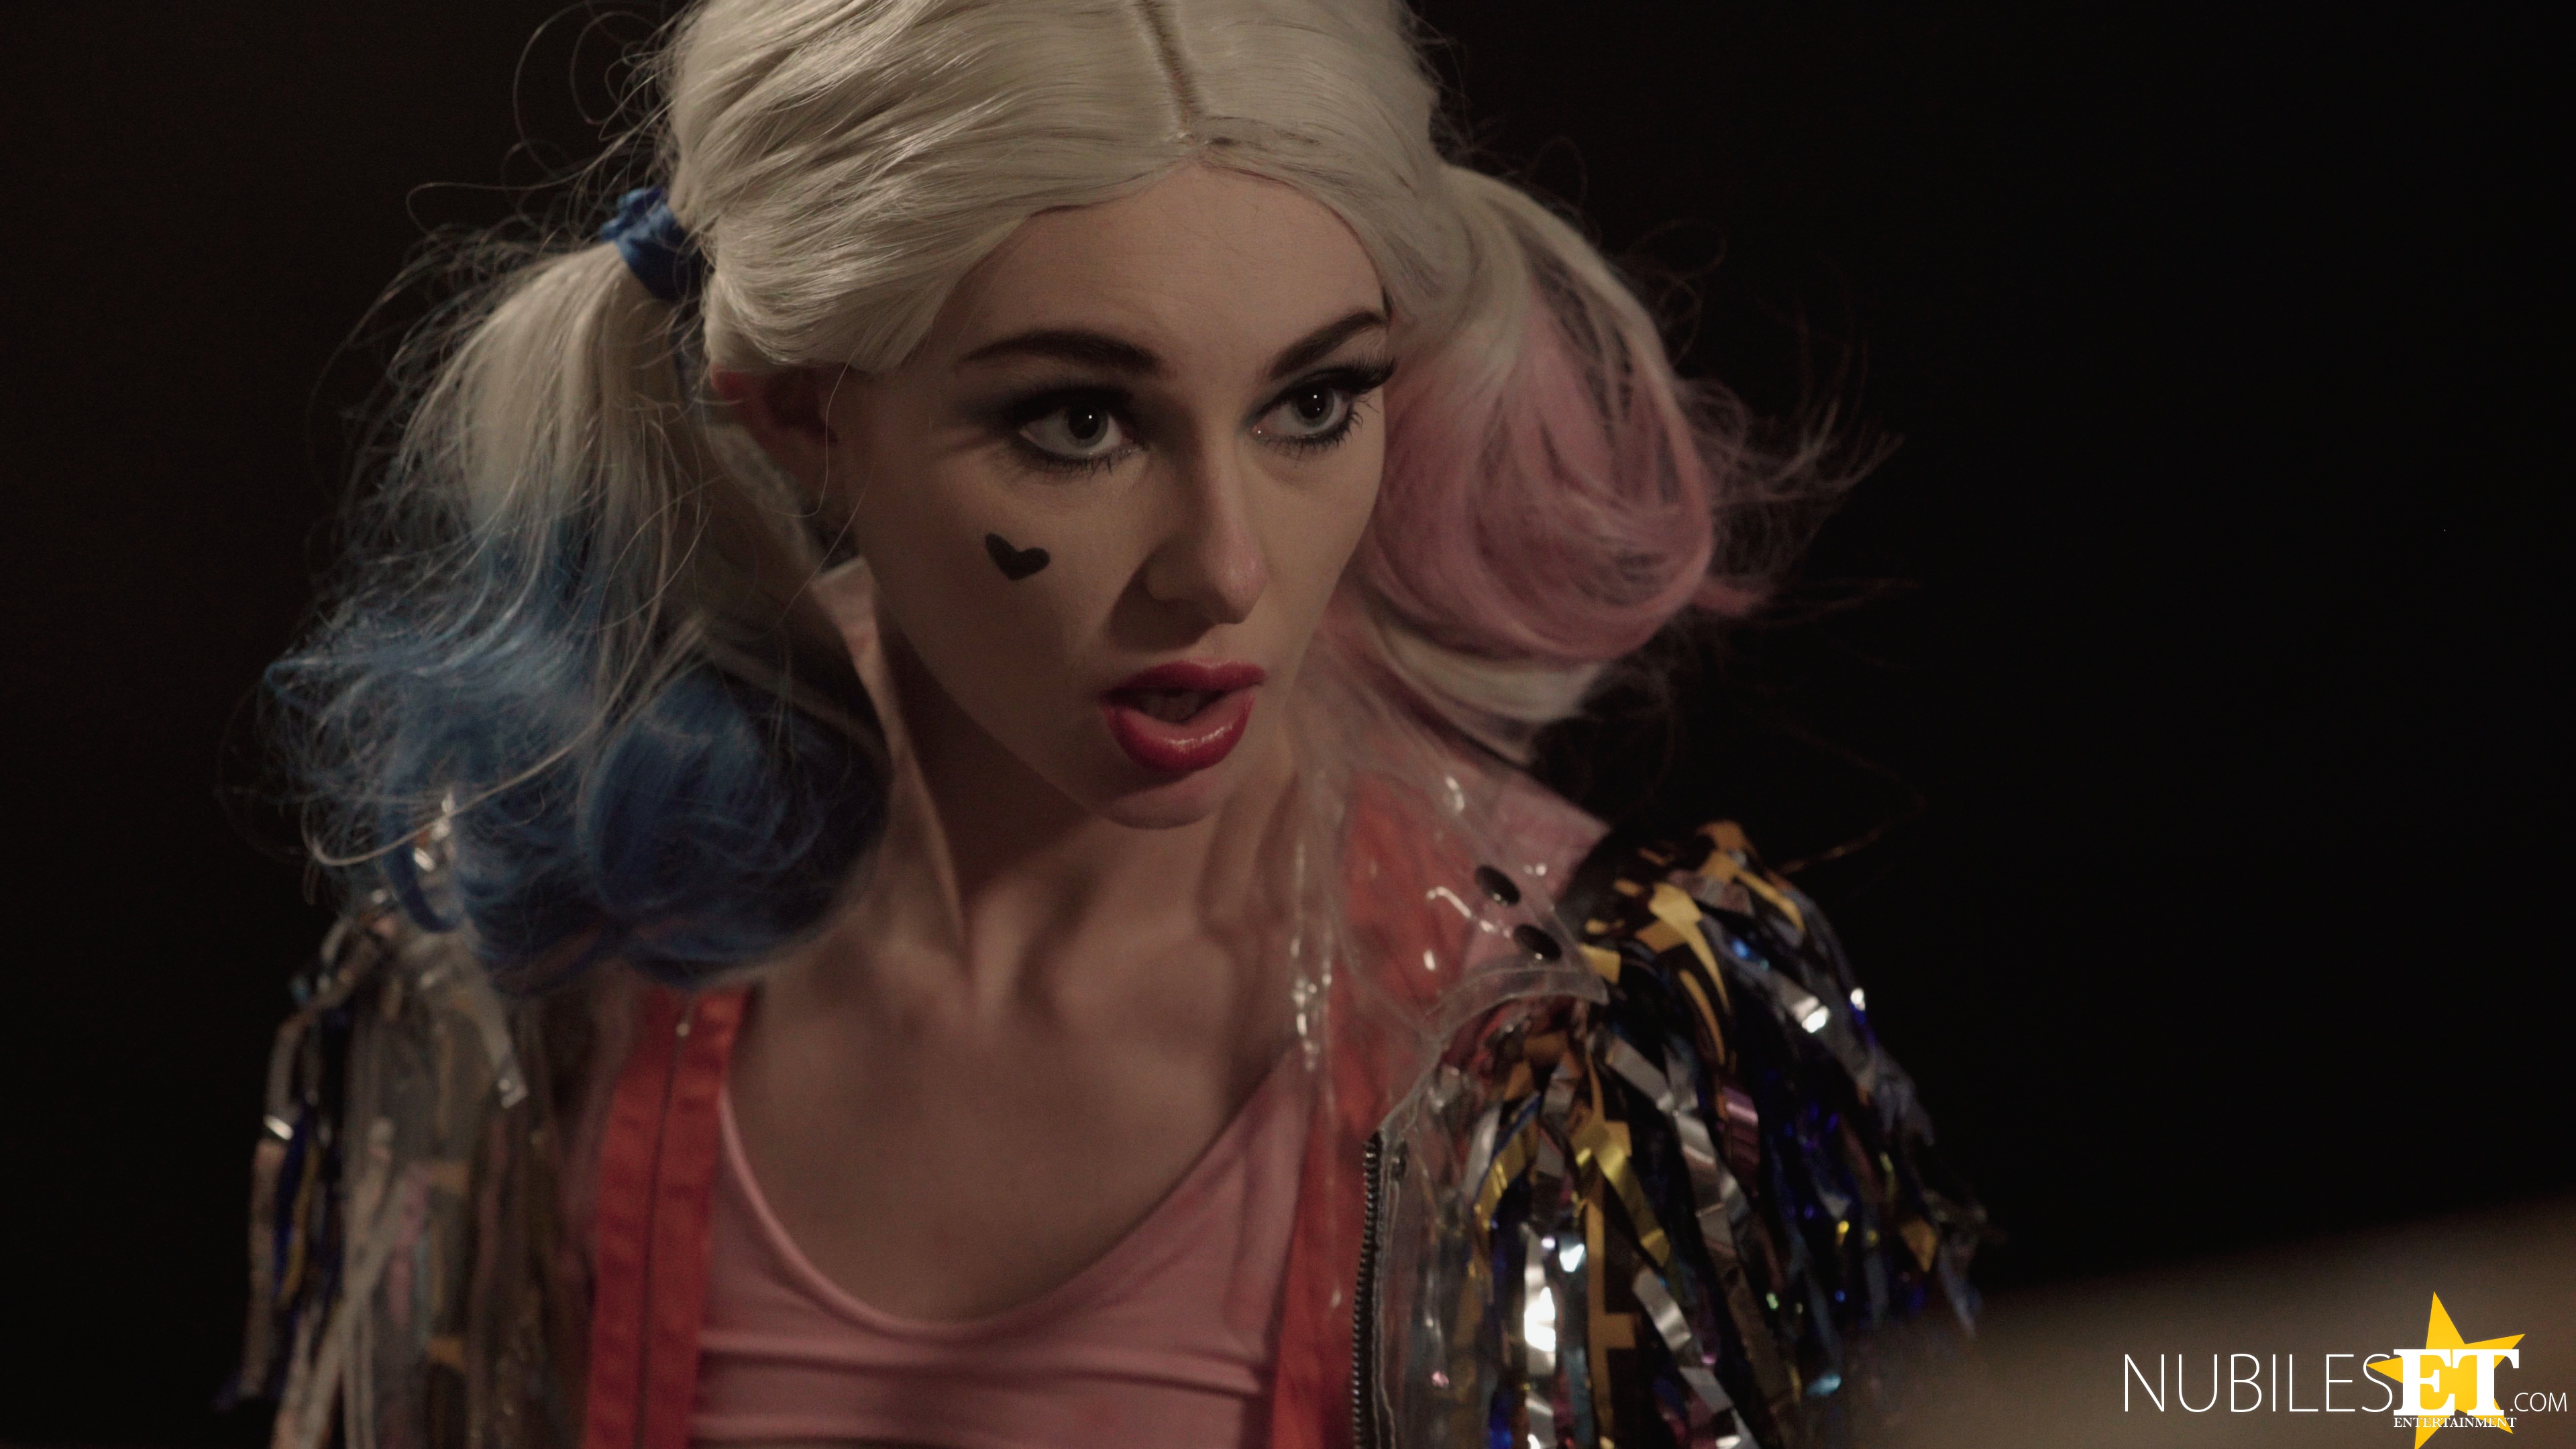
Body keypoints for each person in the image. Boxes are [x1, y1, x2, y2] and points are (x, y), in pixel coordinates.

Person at [235, 1, 1984, 1446]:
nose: (1225, 568)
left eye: (1315, 401)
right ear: (798, 417)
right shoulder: (538, 971)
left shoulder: (1591, 1045)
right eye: (1079, 422)